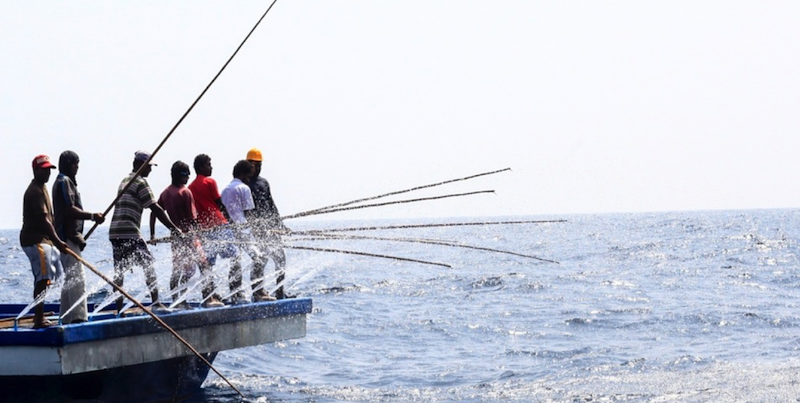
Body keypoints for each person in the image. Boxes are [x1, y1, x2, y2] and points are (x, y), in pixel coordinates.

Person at [108, 150, 183, 312]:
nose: (150, 170)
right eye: (148, 166)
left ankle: (119, 309)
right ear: (139, 165)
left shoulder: (125, 180)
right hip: (129, 231)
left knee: (119, 271)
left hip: (115, 232)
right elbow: (155, 208)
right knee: (148, 264)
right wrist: (174, 229)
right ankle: (156, 303)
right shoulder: (140, 182)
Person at [151, 161, 223, 308]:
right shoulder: (185, 192)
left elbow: (154, 212)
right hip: (189, 236)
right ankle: (208, 299)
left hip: (176, 239)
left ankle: (178, 302)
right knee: (204, 266)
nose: (188, 178)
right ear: (179, 175)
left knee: (178, 270)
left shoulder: (165, 193)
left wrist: (152, 234)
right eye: (186, 175)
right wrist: (200, 236)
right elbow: (193, 219)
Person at [52, 150, 105, 324]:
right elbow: (68, 210)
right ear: (68, 164)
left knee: (70, 278)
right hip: (66, 238)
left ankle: (66, 318)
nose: (77, 168)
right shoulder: (63, 181)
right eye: (75, 164)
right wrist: (91, 216)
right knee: (77, 278)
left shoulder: (65, 181)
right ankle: (78, 319)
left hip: (70, 238)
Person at [20, 155, 68, 329]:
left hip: (45, 240)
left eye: (49, 169)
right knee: (43, 278)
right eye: (44, 169)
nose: (47, 172)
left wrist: (56, 241)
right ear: (35, 170)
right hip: (34, 240)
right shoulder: (34, 191)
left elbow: (51, 218)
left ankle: (41, 313)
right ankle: (38, 319)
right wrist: (58, 241)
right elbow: (44, 221)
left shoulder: (43, 188)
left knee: (54, 275)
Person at [220, 159, 275, 303]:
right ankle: (258, 292)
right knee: (260, 257)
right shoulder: (244, 188)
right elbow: (249, 213)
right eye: (248, 175)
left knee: (235, 261)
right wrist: (257, 230)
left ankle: (236, 294)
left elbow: (224, 211)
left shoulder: (225, 189)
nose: (249, 178)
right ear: (243, 174)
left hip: (230, 230)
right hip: (244, 230)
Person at [188, 154, 235, 307]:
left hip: (204, 229)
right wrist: (230, 221)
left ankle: (209, 295)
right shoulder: (210, 182)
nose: (211, 167)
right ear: (201, 167)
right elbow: (219, 203)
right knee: (235, 257)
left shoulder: (190, 188)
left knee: (207, 264)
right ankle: (236, 291)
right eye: (209, 164)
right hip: (219, 225)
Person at [246, 148, 292, 299]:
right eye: (254, 165)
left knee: (280, 258)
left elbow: (271, 205)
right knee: (260, 260)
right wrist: (255, 227)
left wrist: (280, 226)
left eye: (259, 165)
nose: (257, 168)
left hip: (270, 228)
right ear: (248, 164)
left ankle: (279, 291)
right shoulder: (245, 184)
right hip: (256, 230)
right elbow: (246, 210)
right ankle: (257, 292)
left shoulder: (264, 182)